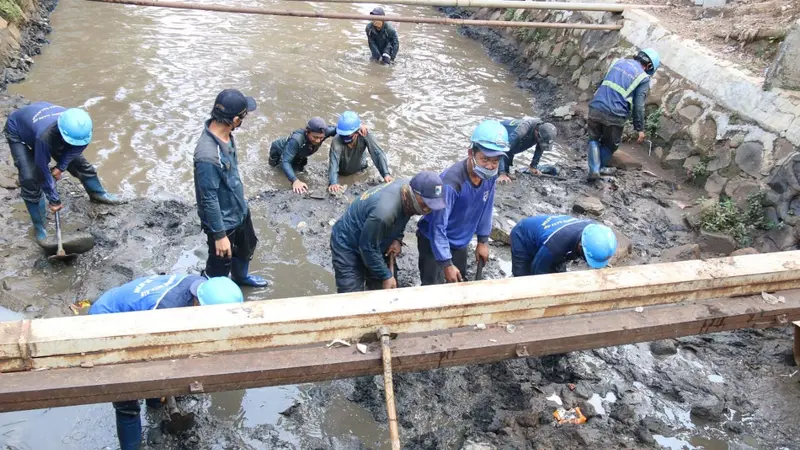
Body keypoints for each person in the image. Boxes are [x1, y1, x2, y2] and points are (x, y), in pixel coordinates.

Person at [88, 275, 244, 450]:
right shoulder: (166, 311)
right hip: (104, 324)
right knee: (127, 400)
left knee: (157, 378)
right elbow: (151, 350)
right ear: (199, 305)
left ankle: (154, 401)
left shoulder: (199, 287)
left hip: (135, 314)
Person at [4, 101, 123, 242]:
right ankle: (40, 227)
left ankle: (98, 194)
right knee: (30, 177)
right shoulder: (45, 136)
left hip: (42, 123)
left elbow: (76, 149)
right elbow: (41, 169)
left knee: (80, 164)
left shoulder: (82, 128)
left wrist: (61, 166)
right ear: (61, 132)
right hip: (18, 130)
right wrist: (54, 199)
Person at [416, 120, 508, 285]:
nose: (489, 166)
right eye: (485, 159)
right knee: (431, 289)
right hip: (433, 241)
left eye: (495, 161)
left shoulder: (490, 176)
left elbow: (486, 207)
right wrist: (446, 263)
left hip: (460, 240)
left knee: (458, 284)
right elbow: (438, 226)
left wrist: (483, 240)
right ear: (471, 153)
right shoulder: (451, 184)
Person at [193, 89, 268, 288]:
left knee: (246, 248)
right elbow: (208, 199)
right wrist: (220, 236)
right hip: (223, 222)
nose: (245, 120)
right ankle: (209, 292)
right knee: (219, 266)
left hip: (239, 209)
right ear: (235, 119)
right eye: (244, 116)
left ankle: (241, 278)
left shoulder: (226, 135)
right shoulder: (208, 156)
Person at [330, 171, 446, 293]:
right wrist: (386, 276)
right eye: (426, 203)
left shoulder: (410, 189)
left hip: (374, 234)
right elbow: (367, 247)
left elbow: (404, 214)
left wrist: (397, 239)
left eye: (432, 205)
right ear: (413, 193)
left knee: (386, 291)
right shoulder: (383, 214)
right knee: (351, 297)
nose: (428, 209)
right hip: (348, 243)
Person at [587, 48, 660, 180]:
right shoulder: (643, 78)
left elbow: (601, 84)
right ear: (649, 66)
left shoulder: (618, 62)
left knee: (594, 139)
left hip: (596, 107)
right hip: (615, 114)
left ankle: (594, 169)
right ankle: (597, 169)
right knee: (610, 145)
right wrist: (640, 129)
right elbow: (638, 106)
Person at [268, 117, 368, 194]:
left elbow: (341, 130)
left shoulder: (325, 133)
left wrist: (356, 128)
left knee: (299, 171)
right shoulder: (297, 139)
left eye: (321, 138)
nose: (318, 140)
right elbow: (285, 161)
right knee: (276, 172)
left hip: (300, 154)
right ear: (307, 132)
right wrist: (295, 181)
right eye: (315, 137)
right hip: (279, 152)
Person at [510, 215, 617, 276]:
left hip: (550, 240)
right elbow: (537, 273)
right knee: (523, 278)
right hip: (523, 235)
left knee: (559, 275)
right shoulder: (556, 245)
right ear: (580, 246)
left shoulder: (595, 230)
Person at [328, 111, 392, 194]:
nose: (345, 138)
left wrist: (386, 174)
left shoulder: (365, 134)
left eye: (348, 136)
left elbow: (377, 153)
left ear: (357, 132)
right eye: (343, 136)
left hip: (361, 170)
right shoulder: (337, 140)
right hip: (342, 172)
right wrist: (333, 182)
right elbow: (334, 162)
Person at [497, 118, 558, 184]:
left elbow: (540, 147)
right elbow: (503, 150)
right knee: (499, 167)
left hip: (512, 144)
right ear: (536, 132)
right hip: (499, 136)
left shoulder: (542, 130)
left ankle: (505, 170)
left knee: (509, 162)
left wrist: (533, 166)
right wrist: (502, 173)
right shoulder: (521, 131)